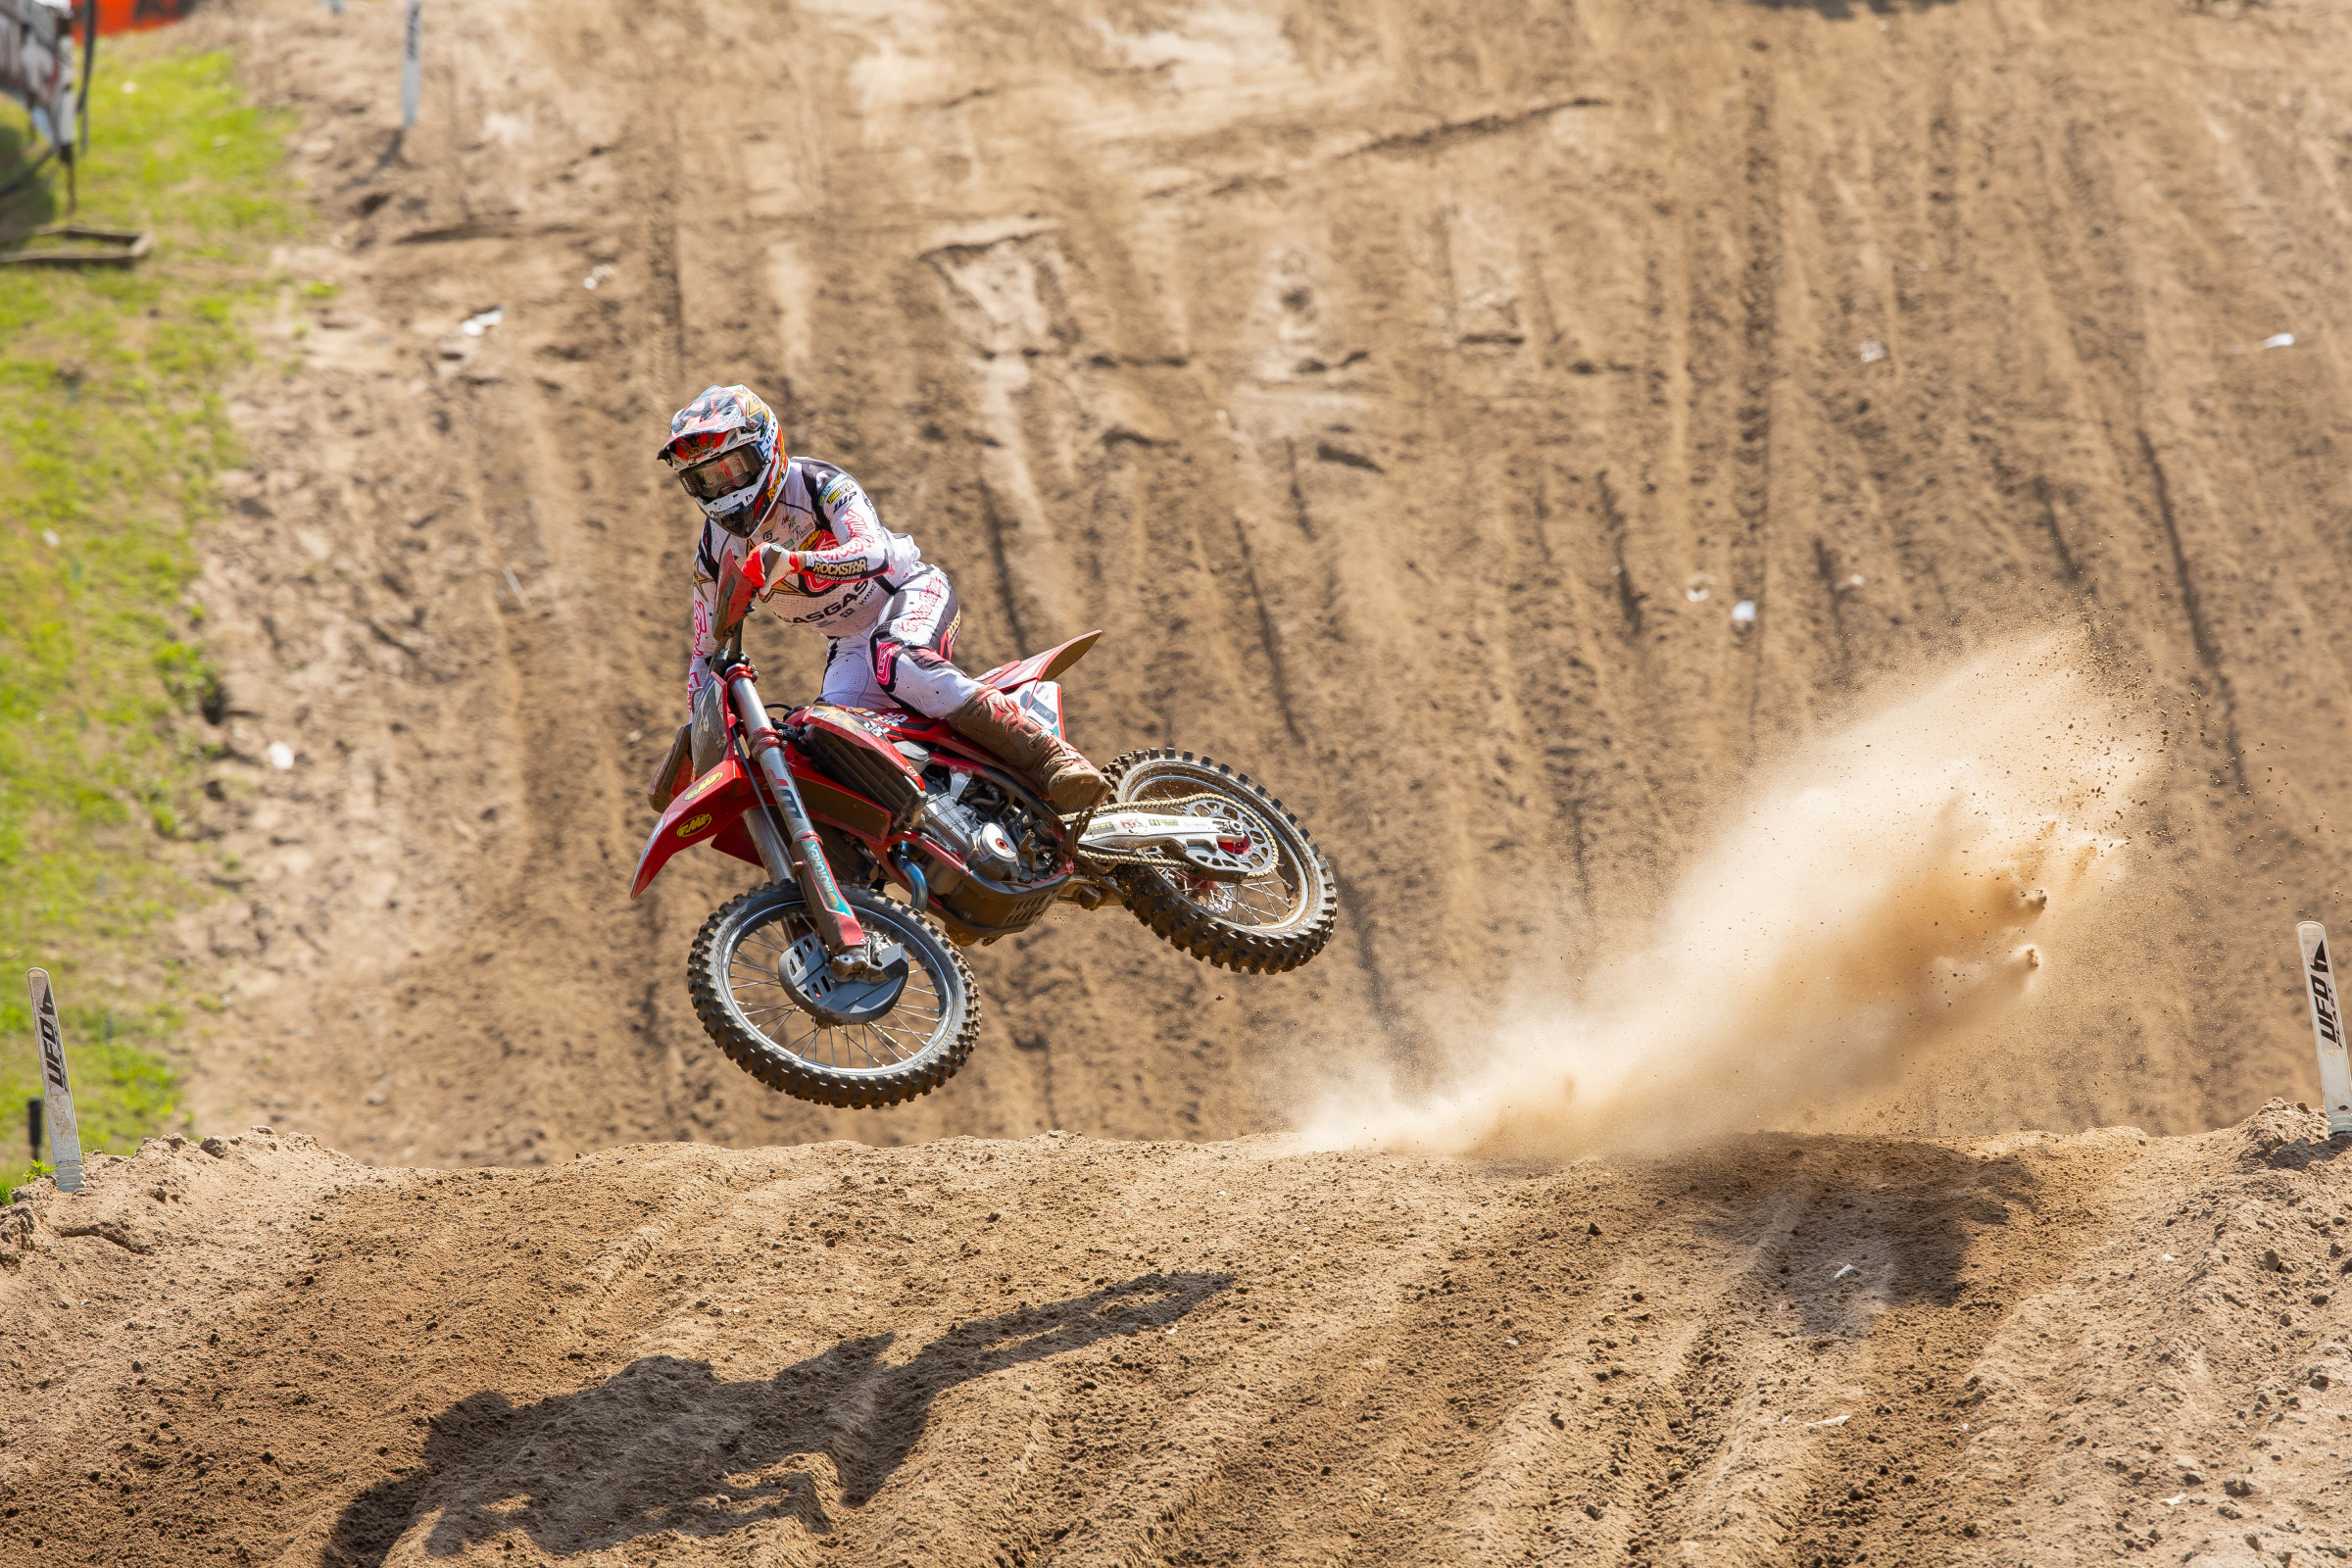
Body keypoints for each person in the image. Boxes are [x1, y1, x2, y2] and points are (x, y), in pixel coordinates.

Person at [659, 384, 1108, 813]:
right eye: (705, 479)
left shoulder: (817, 484)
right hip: (851, 640)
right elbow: (704, 651)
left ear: (766, 448)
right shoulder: (713, 552)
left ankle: (1051, 758)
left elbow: (872, 551)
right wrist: (700, 729)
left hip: (908, 591)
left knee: (898, 661)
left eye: (731, 470)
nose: (724, 490)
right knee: (829, 737)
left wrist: (795, 563)